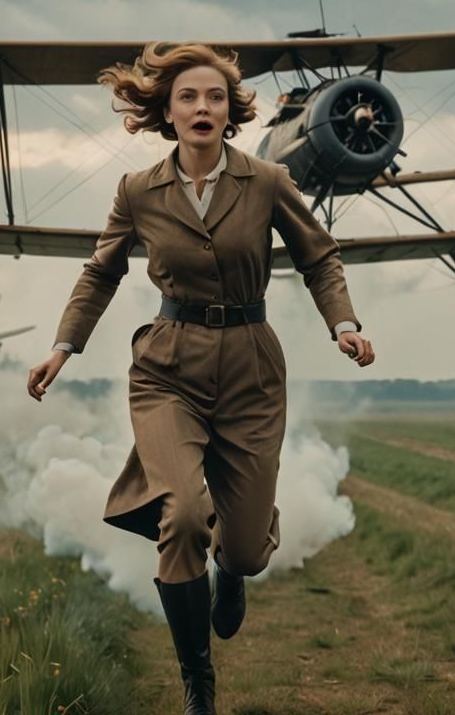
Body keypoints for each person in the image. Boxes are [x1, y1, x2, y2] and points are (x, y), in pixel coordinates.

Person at [26, 42, 374, 715]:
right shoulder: (137, 190)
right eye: (188, 96)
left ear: (231, 111)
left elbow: (319, 258)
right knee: (182, 515)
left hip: (250, 367)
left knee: (242, 551)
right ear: (167, 110)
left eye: (215, 96)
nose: (203, 107)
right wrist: (63, 346)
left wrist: (344, 324)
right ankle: (197, 681)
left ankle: (232, 567)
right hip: (167, 368)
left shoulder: (267, 181)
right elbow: (101, 272)